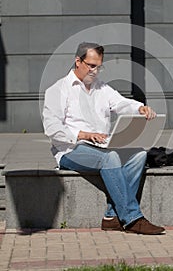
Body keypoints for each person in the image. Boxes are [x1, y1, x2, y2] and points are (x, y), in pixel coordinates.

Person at [43, 42, 165, 235]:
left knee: (139, 155)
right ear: (78, 61)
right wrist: (84, 135)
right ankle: (132, 218)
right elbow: (52, 129)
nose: (95, 71)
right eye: (91, 65)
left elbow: (121, 103)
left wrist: (139, 108)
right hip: (71, 150)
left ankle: (112, 217)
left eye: (99, 66)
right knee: (111, 158)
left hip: (101, 148)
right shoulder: (58, 90)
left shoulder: (102, 88)